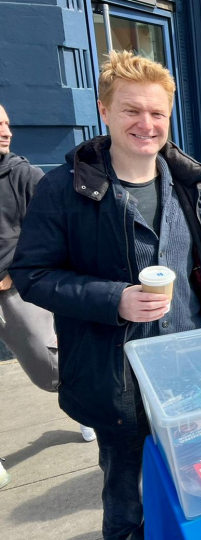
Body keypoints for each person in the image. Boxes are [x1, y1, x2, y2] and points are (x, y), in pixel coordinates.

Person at [9, 51, 201, 539]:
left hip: (194, 374)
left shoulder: (191, 186)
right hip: (116, 380)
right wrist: (112, 298)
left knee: (198, 491)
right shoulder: (63, 190)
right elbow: (31, 273)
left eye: (157, 113)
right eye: (131, 110)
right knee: (128, 504)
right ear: (104, 110)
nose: (146, 123)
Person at [0, 104, 97, 452]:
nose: (6, 131)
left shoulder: (25, 176)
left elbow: (51, 237)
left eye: (7, 123)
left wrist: (14, 274)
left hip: (15, 290)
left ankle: (85, 408)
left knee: (50, 369)